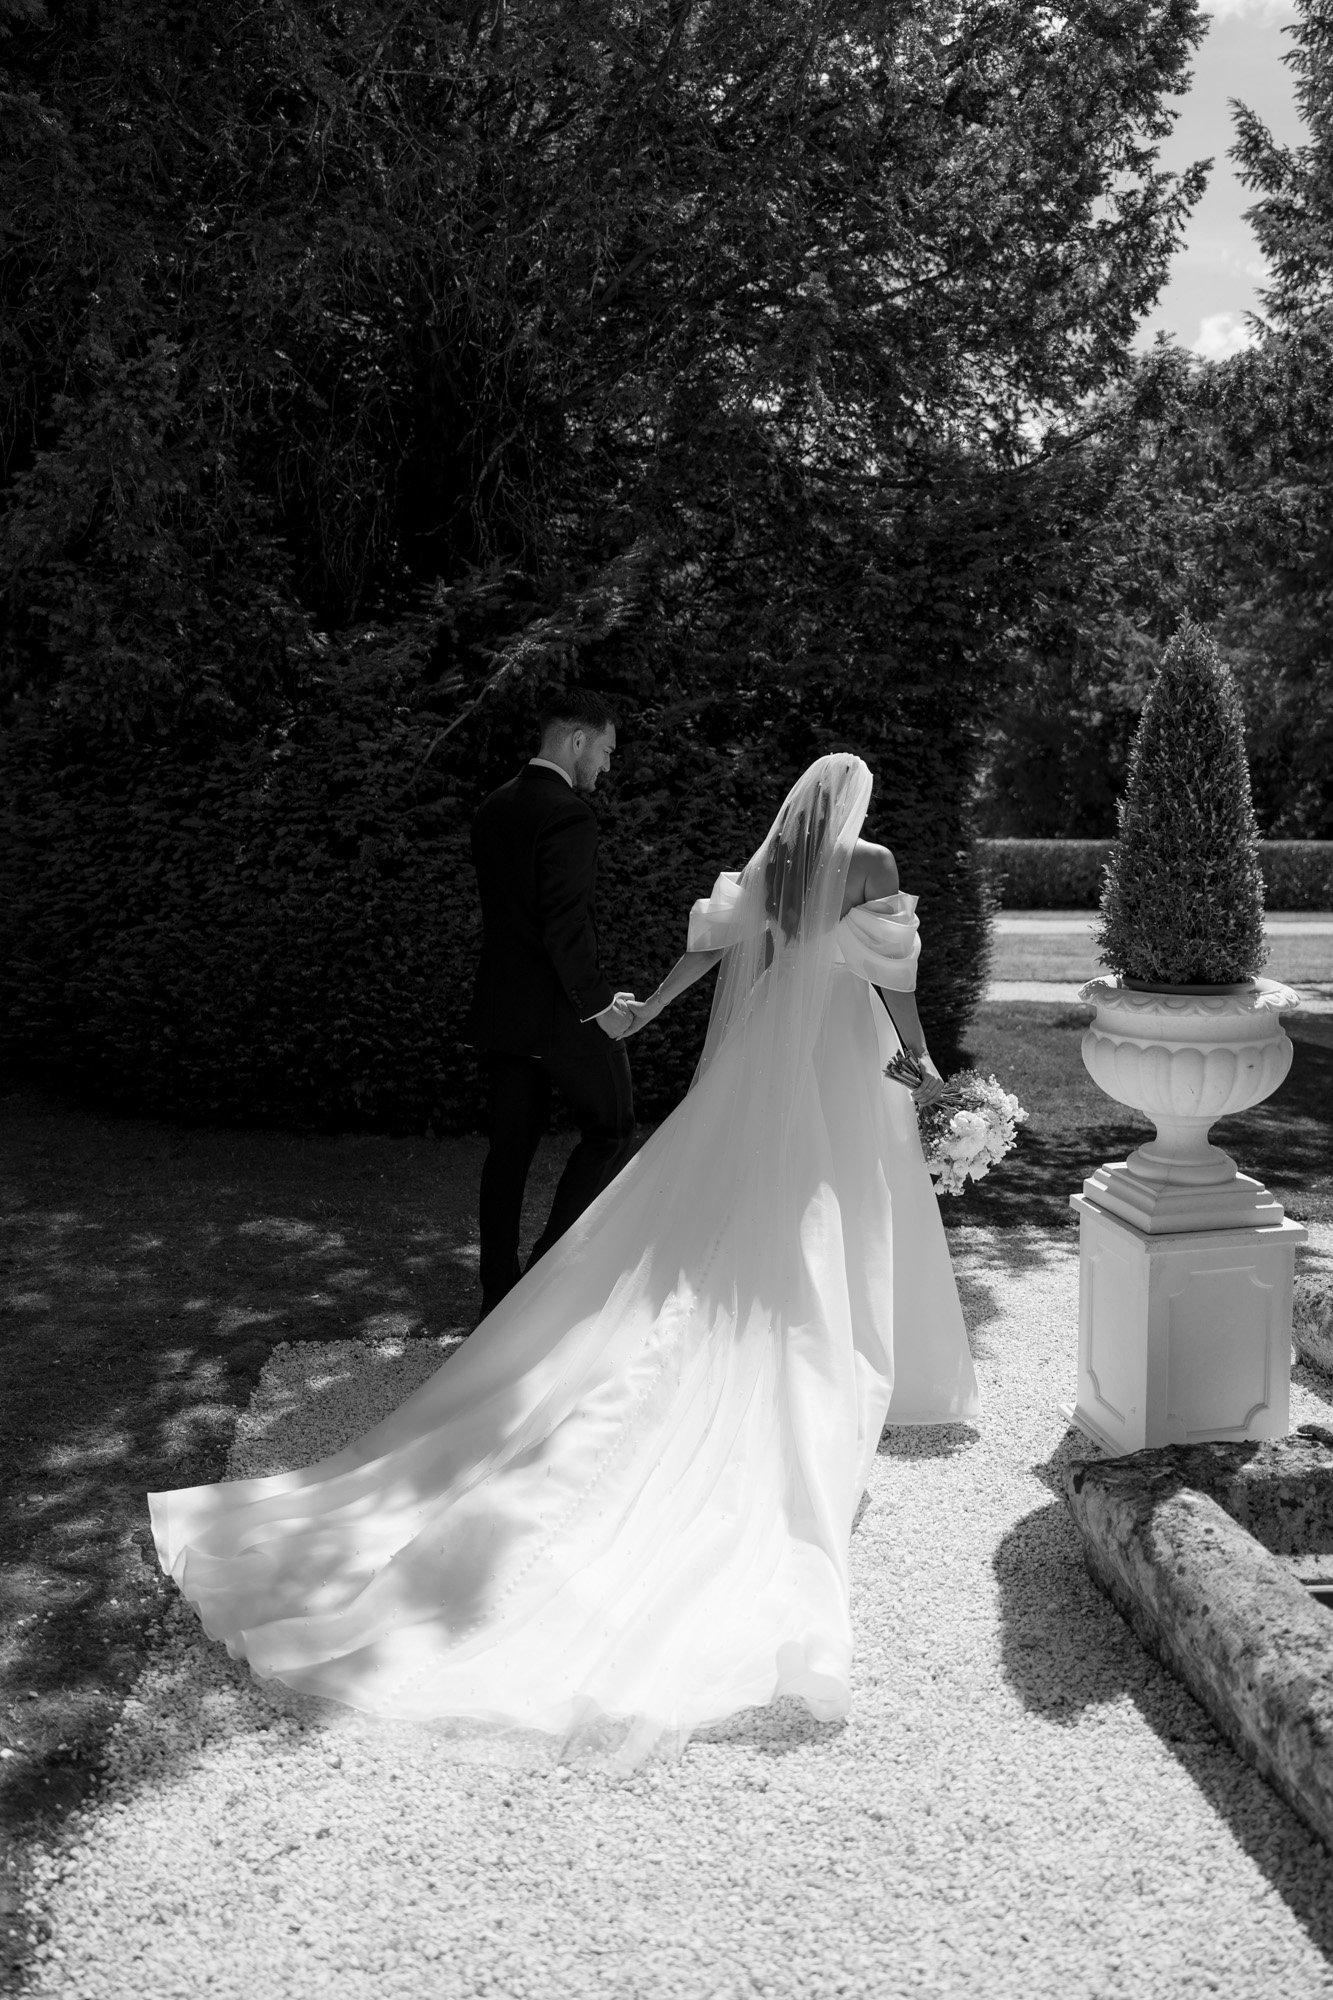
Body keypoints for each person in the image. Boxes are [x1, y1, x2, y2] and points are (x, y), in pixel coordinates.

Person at [147, 753, 980, 1772]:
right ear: (854, 804)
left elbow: (715, 953)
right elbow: (891, 977)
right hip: (839, 1045)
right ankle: (821, 1349)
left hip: (770, 1047)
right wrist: (926, 1069)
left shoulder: (773, 867)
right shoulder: (871, 857)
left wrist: (645, 1011)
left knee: (725, 1206)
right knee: (832, 1199)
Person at [465, 689, 637, 1320]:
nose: (607, 766)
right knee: (613, 1126)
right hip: (561, 1014)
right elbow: (563, 925)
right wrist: (599, 1006)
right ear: (575, 739)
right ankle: (540, 1282)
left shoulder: (492, 807)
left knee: (507, 1153)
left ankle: (496, 1298)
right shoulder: (569, 815)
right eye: (606, 750)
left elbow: (515, 920)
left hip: (503, 1012)